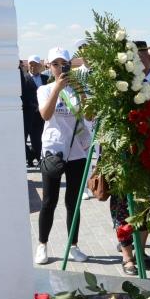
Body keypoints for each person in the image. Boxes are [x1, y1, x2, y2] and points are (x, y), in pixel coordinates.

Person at [33, 47, 93, 266]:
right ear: (49, 66)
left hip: (77, 151)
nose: (60, 68)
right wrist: (57, 89)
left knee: (73, 202)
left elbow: (90, 115)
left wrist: (82, 92)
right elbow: (46, 114)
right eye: (55, 64)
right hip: (53, 150)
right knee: (49, 201)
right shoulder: (45, 89)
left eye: (64, 64)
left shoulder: (79, 88)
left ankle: (73, 245)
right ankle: (42, 244)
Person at [22, 58, 45, 167]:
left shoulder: (46, 78)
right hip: (29, 114)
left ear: (40, 66)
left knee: (39, 139)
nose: (33, 67)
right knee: (23, 139)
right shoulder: (24, 78)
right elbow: (23, 96)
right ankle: (31, 156)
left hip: (43, 115)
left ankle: (38, 157)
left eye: (35, 65)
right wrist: (34, 106)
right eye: (31, 64)